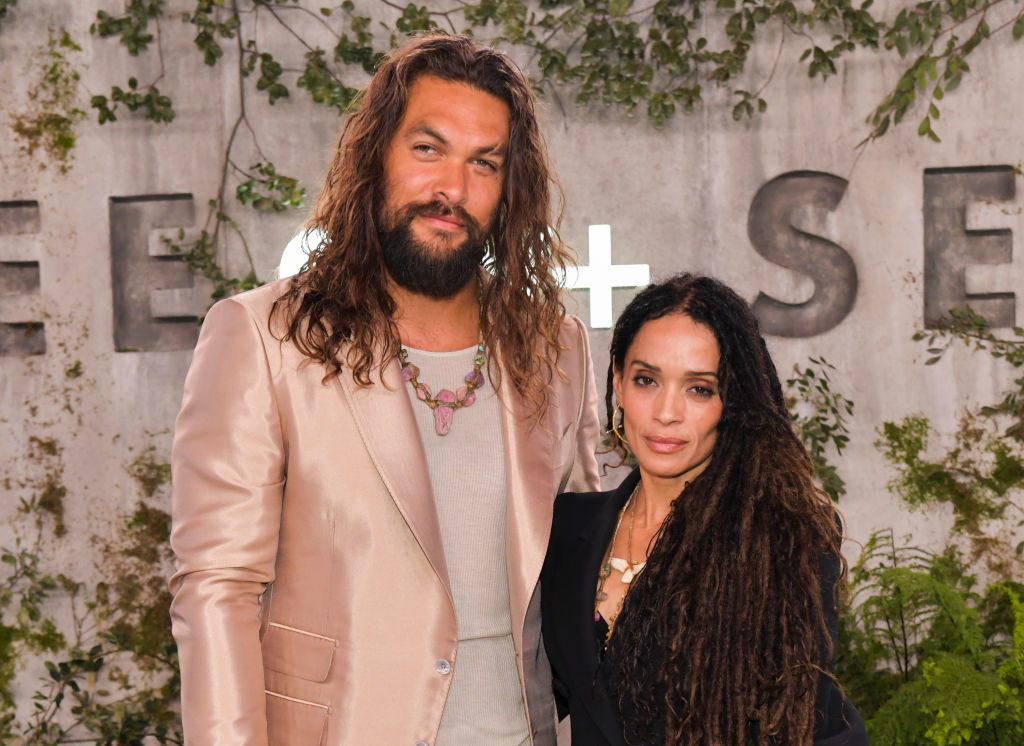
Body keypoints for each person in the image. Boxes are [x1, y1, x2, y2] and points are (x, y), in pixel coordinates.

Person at [168, 33, 600, 746]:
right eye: (428, 149)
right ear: (376, 157)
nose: (451, 190)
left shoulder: (556, 350)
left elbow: (583, 578)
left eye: (483, 163)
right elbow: (217, 593)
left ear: (509, 188)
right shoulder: (262, 338)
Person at [541, 274, 869, 745]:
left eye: (699, 389)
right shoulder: (568, 530)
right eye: (646, 379)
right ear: (617, 378)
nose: (666, 411)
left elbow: (806, 724)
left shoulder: (781, 540)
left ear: (732, 402)